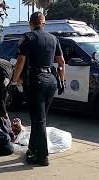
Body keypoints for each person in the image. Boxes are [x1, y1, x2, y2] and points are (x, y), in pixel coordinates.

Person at [12, 12, 65, 166]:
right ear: (44, 23)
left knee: (38, 119)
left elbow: (21, 61)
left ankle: (41, 157)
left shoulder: (27, 37)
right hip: (51, 82)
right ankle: (33, 149)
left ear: (31, 23)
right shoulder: (53, 38)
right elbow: (61, 62)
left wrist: (15, 80)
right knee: (39, 119)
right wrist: (62, 80)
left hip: (36, 82)